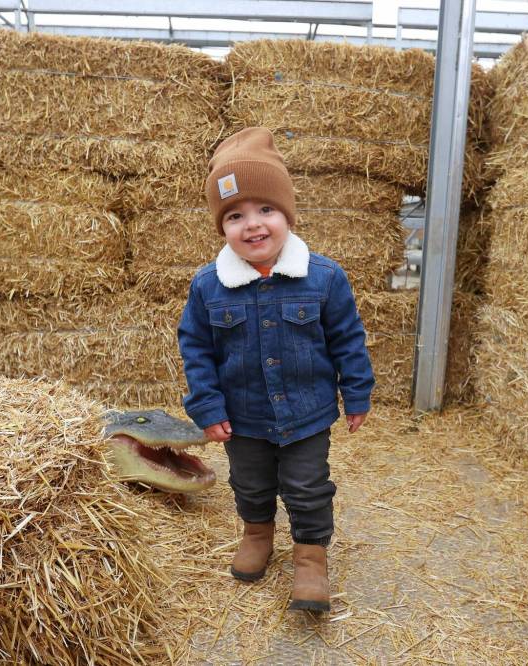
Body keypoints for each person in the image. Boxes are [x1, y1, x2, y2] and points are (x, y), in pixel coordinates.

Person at [177, 127, 375, 613]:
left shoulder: (325, 277)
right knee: (251, 483)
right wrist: (206, 405)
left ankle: (310, 557)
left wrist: (357, 392)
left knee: (308, 486)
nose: (253, 225)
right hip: (242, 416)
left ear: (287, 213)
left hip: (307, 412)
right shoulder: (208, 286)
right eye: (235, 216)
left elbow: (348, 338)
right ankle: (257, 534)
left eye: (266, 210)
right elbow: (196, 348)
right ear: (221, 228)